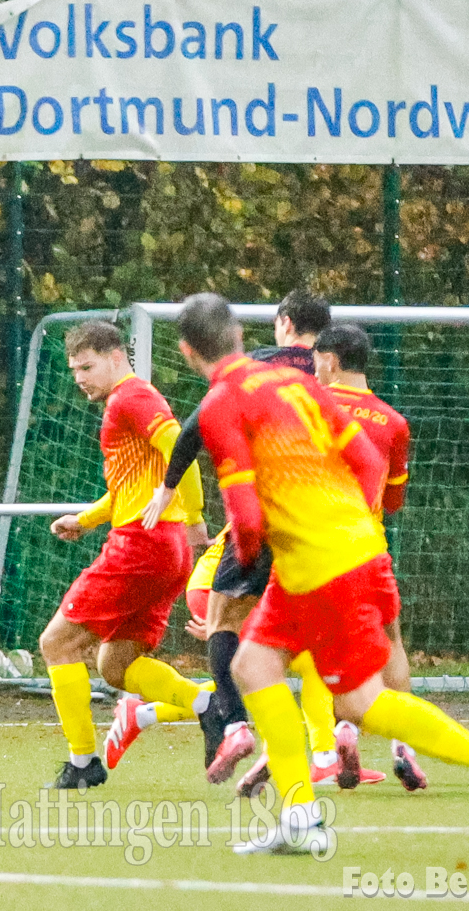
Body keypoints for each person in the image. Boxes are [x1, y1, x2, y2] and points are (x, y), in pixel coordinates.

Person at [177, 294, 469, 853]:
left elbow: (245, 518)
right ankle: (300, 817)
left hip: (320, 565)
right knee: (254, 665)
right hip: (348, 550)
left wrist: (243, 571)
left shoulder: (221, 403)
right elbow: (368, 462)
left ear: (185, 351)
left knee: (358, 703)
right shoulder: (296, 383)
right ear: (240, 337)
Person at [121, 289, 334, 784]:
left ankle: (235, 724)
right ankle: (330, 750)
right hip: (324, 524)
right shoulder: (330, 374)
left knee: (224, 626)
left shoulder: (249, 374)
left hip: (262, 518)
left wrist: (168, 488)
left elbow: (193, 432)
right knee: (312, 654)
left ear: (284, 323)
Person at [236, 323, 421, 795]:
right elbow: (393, 500)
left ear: (330, 360)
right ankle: (402, 746)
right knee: (391, 641)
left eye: (315, 358)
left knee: (281, 649)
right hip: (366, 549)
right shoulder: (393, 422)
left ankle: (291, 747)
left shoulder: (307, 407)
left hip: (305, 546)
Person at [39, 320, 219, 790]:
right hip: (165, 546)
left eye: (87, 367)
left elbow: (181, 447)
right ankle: (207, 705)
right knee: (115, 665)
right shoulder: (128, 401)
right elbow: (131, 487)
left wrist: (196, 514)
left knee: (57, 643)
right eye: (74, 370)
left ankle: (82, 762)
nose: (79, 378)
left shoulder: (131, 398)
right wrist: (86, 519)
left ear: (116, 357)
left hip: (142, 545)